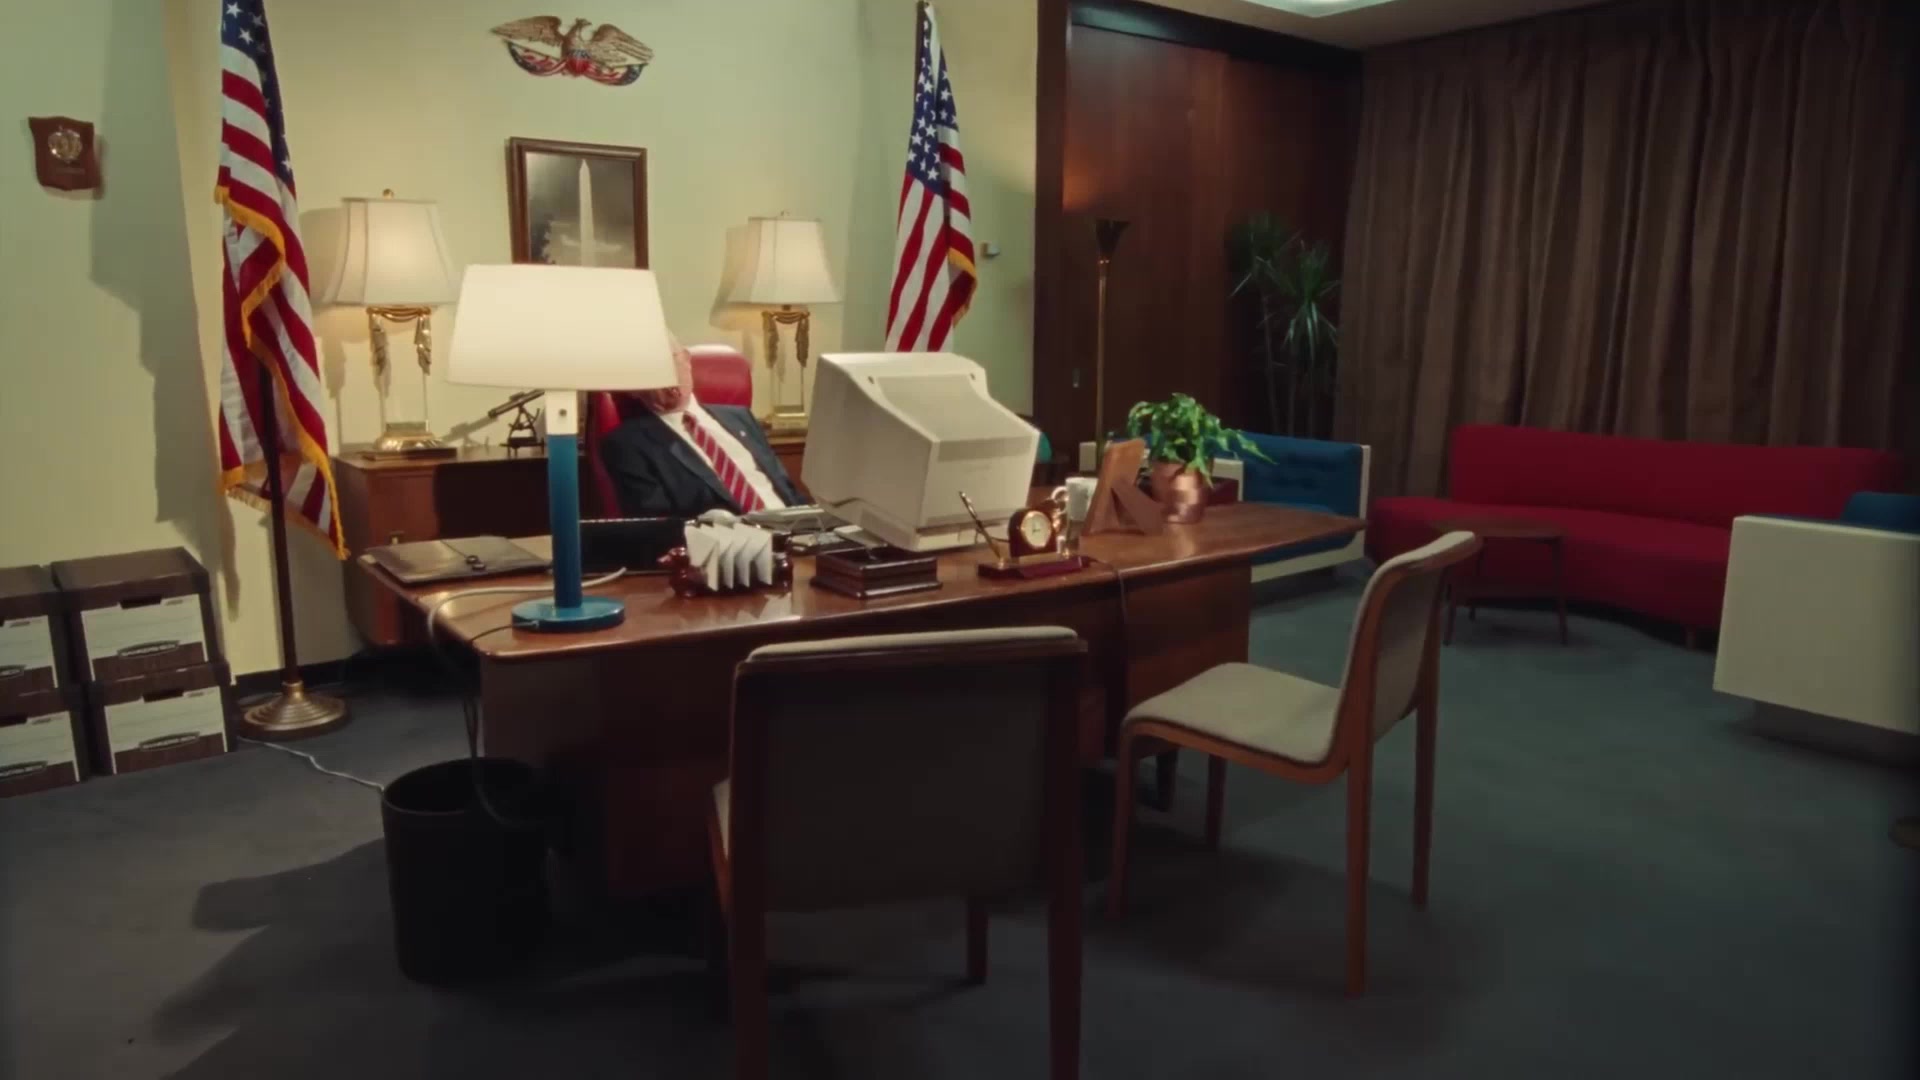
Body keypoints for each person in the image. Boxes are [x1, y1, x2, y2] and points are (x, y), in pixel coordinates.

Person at [598, 337, 804, 517]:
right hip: (732, 541)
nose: (670, 375)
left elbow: (787, 489)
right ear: (634, 388)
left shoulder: (740, 417)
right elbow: (656, 523)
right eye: (655, 368)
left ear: (687, 360)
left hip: (796, 530)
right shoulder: (627, 443)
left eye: (672, 360)